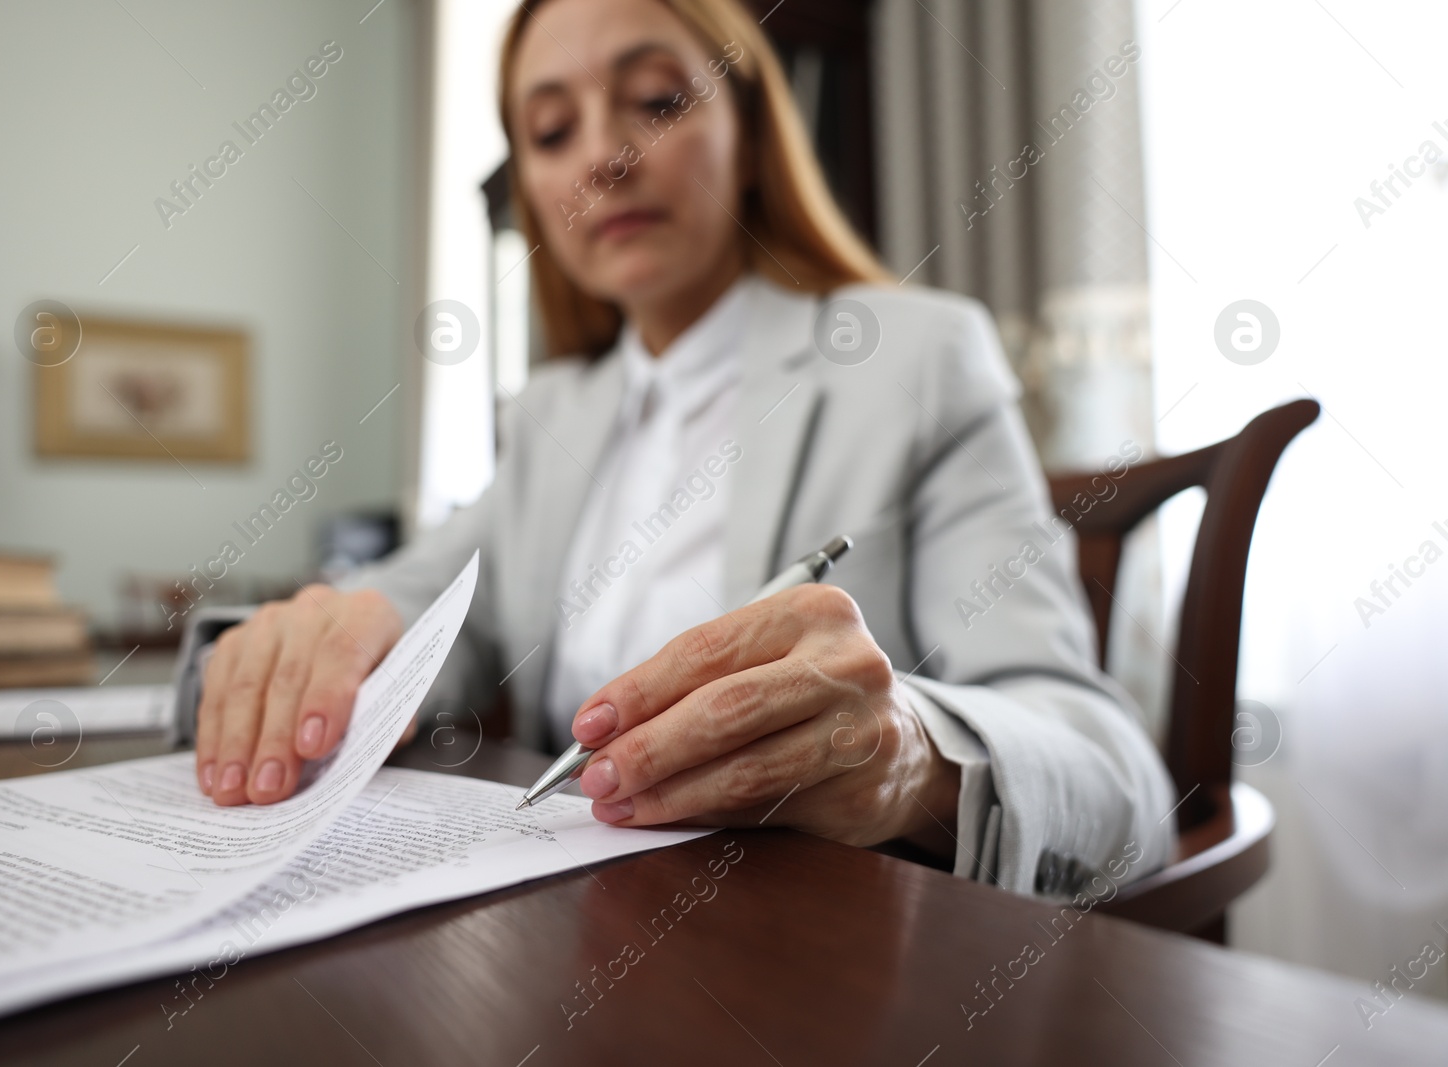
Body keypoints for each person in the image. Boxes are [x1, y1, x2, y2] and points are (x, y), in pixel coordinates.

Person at [190, 0, 1173, 897]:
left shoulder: (915, 360)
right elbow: (414, 605)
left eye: (655, 100)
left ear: (746, 133)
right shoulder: (551, 417)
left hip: (822, 956)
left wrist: (909, 760)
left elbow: (1115, 778)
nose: (604, 157)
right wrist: (319, 645)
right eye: (549, 130)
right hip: (570, 922)